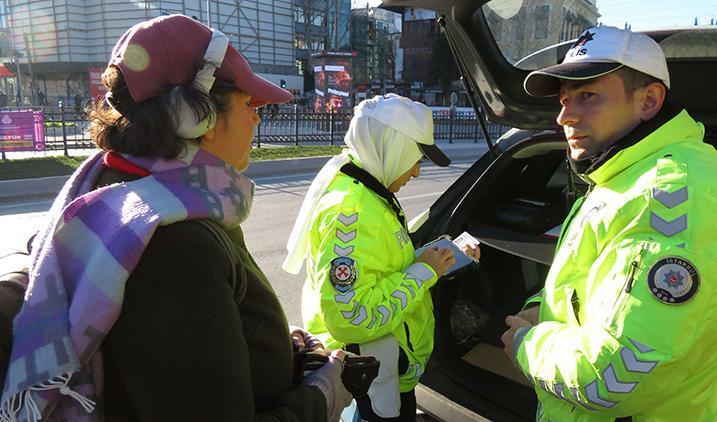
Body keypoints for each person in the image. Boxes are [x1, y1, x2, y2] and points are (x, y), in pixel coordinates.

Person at [0, 14, 351, 421]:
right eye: (249, 103)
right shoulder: (174, 243)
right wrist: (323, 395)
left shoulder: (117, 189)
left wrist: (281, 350)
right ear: (195, 115)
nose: (257, 117)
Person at [501, 25, 717, 421]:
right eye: (564, 99)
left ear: (649, 100)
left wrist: (526, 343)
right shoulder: (625, 176)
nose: (565, 115)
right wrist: (542, 311)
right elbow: (588, 282)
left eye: (588, 95)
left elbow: (612, 379)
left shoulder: (671, 198)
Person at [283, 93, 480, 422]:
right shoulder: (353, 211)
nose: (417, 172)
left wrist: (430, 262)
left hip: (380, 374)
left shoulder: (369, 189)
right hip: (368, 386)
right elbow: (352, 315)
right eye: (415, 158)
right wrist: (422, 273)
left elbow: (373, 269)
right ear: (392, 147)